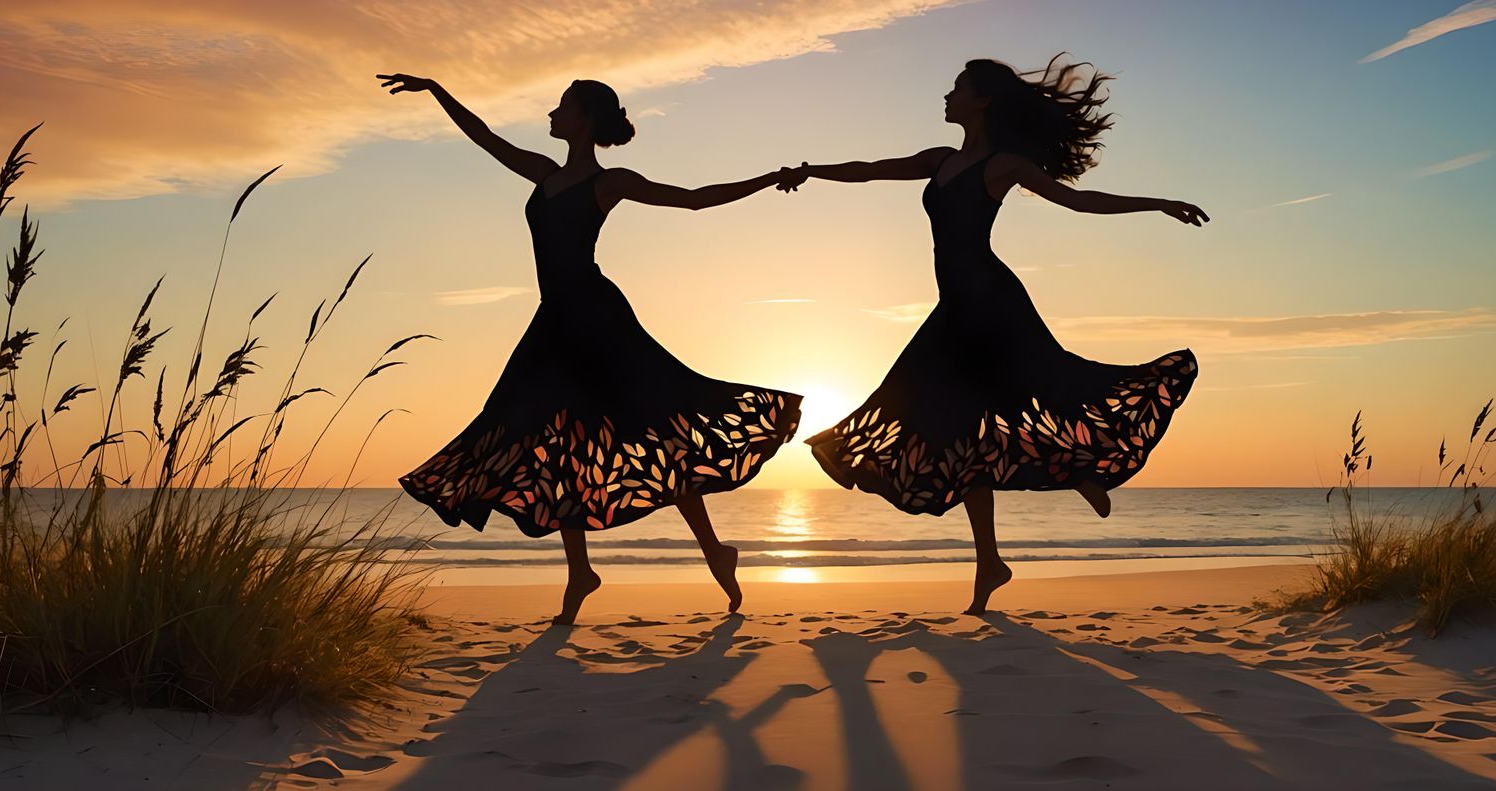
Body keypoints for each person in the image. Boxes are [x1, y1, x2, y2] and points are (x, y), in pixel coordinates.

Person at [782, 55, 1205, 614]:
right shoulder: (940, 159)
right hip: (956, 306)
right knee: (963, 431)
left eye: (957, 87)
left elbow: (1078, 201)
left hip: (991, 300)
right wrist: (811, 171)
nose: (947, 95)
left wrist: (1158, 204)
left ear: (981, 100)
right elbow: (872, 168)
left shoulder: (1004, 164)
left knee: (1028, 393)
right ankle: (993, 559)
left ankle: (1076, 471)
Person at [379, 73, 803, 624]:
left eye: (562, 106)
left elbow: (694, 201)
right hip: (554, 323)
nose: (551, 114)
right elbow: (483, 137)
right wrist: (436, 89)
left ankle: (713, 550)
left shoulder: (609, 182)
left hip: (598, 320)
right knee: (550, 438)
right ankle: (581, 571)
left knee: (657, 429)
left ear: (584, 118)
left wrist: (771, 178)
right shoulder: (543, 172)